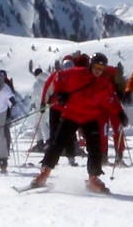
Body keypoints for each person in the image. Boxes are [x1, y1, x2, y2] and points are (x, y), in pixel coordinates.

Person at [28, 53, 118, 193]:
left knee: (95, 147)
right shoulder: (77, 73)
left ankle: (93, 178)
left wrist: (119, 114)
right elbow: (57, 77)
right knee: (57, 143)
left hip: (90, 117)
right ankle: (44, 173)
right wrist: (59, 93)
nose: (98, 71)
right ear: (91, 65)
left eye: (101, 68)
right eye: (96, 67)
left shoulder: (104, 83)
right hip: (71, 114)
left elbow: (110, 99)